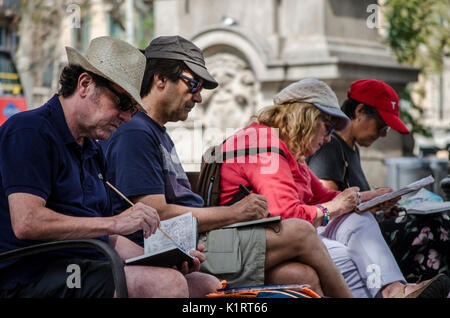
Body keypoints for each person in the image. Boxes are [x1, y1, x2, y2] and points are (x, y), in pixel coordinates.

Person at [101, 35, 353, 298]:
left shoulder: (155, 132)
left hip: (196, 240)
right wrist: (234, 213)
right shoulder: (136, 132)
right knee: (301, 231)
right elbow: (157, 214)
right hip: (174, 247)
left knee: (302, 276)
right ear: (160, 79)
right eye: (193, 84)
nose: (199, 97)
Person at [0, 36, 218, 298]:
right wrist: (114, 222)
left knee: (206, 286)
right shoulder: (30, 131)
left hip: (88, 265)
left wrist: (163, 258)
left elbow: (110, 238)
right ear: (85, 84)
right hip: (33, 272)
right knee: (164, 284)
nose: (126, 117)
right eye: (123, 104)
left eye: (134, 110)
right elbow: (27, 222)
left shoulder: (91, 149)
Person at [219, 78, 450, 298]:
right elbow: (287, 216)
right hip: (248, 240)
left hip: (273, 235)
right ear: (305, 118)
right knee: (344, 256)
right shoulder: (264, 144)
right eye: (328, 128)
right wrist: (334, 207)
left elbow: (323, 196)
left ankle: (394, 291)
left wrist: (368, 199)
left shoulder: (286, 149)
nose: (329, 138)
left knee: (358, 219)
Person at [307, 79, 450, 283]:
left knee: (433, 243)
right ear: (360, 112)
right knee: (432, 227)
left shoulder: (351, 149)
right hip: (347, 239)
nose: (383, 134)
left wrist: (381, 209)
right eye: (382, 126)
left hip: (366, 231)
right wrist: (371, 208)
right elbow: (326, 208)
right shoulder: (330, 148)